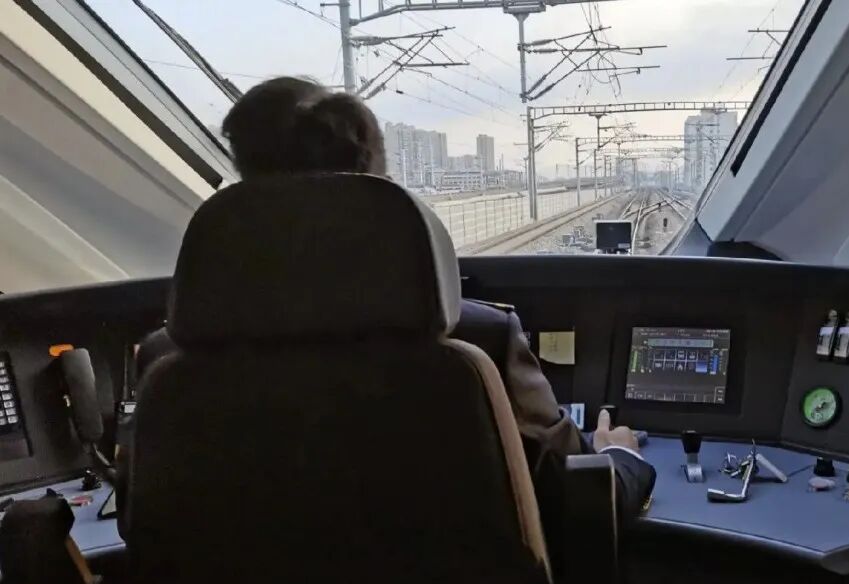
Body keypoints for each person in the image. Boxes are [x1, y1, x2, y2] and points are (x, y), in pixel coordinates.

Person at [131, 77, 655, 559]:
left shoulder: (165, 365)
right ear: (377, 190)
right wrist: (619, 458)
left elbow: (146, 525)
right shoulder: (480, 344)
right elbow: (577, 503)